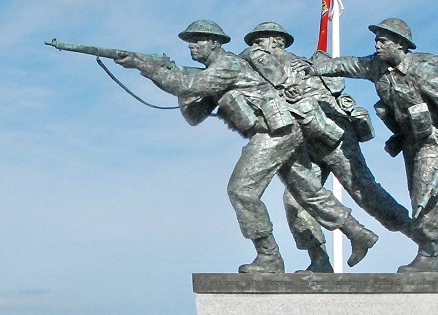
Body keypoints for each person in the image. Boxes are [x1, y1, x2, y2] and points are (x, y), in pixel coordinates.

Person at [114, 20, 378, 272]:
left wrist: (142, 66)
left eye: (198, 41)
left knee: (242, 191)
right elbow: (194, 114)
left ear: (215, 43)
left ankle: (269, 257)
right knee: (308, 192)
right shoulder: (215, 74)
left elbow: (186, 84)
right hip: (283, 132)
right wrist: (174, 76)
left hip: (275, 133)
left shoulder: (227, 64)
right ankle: (358, 233)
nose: (192, 46)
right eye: (190, 42)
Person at [310, 18, 438, 272]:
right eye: (377, 40)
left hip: (435, 141)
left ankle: (430, 255)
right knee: (424, 198)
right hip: (411, 141)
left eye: (383, 40)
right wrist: (317, 69)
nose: (377, 45)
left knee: (422, 198)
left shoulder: (422, 72)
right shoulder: (377, 67)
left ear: (400, 45)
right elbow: (348, 65)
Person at [240, 22, 417, 272]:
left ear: (276, 42)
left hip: (334, 136)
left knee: (366, 193)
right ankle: (320, 261)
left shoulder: (291, 65)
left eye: (259, 42)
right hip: (305, 140)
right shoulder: (262, 70)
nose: (253, 48)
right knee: (296, 199)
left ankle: (422, 240)